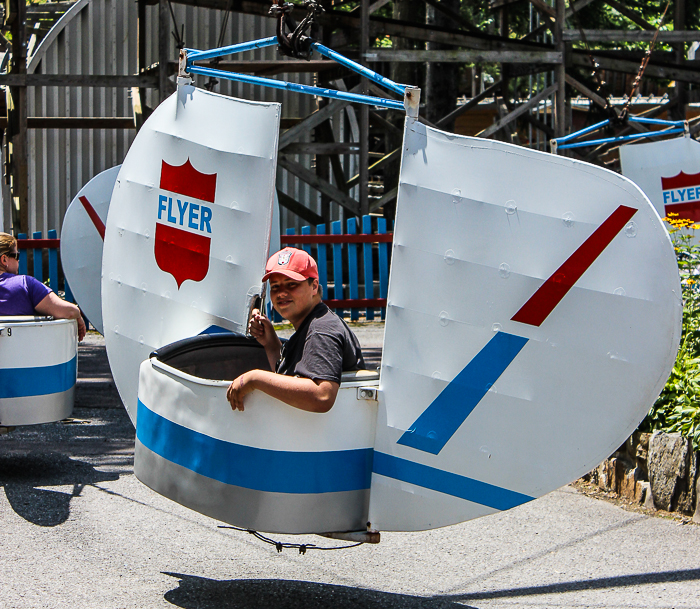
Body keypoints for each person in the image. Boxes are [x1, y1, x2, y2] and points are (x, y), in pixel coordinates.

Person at [227, 247, 365, 413]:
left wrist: (254, 378)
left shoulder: (320, 330)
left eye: (292, 284)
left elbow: (322, 396)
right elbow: (290, 382)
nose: (281, 293)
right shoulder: (312, 324)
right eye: (275, 286)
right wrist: (271, 344)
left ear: (314, 286)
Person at [0, 233, 86, 341]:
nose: (19, 260)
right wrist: (77, 314)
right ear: (4, 260)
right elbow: (69, 311)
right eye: (17, 255)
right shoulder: (25, 284)